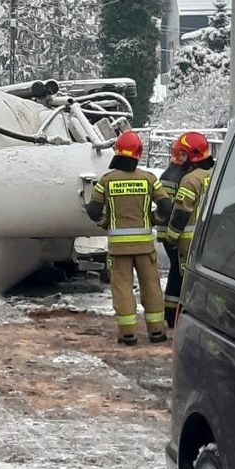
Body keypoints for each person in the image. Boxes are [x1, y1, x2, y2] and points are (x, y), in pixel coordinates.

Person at [87, 131, 173, 346]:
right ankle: (156, 332)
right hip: (144, 247)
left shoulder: (106, 181)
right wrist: (153, 219)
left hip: (118, 250)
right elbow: (166, 207)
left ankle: (128, 334)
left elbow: (93, 211)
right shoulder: (149, 179)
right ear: (139, 153)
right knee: (152, 287)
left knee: (123, 289)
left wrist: (105, 222)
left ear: (117, 151)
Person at [165, 132, 216, 277]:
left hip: (190, 243)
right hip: (211, 239)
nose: (178, 160)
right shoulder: (215, 174)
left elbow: (181, 213)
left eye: (182, 155)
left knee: (188, 284)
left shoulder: (190, 180)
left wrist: (171, 238)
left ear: (191, 156)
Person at [159, 139, 191, 328]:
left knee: (175, 270)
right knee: (178, 272)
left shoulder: (168, 174)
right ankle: (172, 314)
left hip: (167, 231)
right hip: (174, 233)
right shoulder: (179, 177)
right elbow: (177, 210)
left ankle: (170, 312)